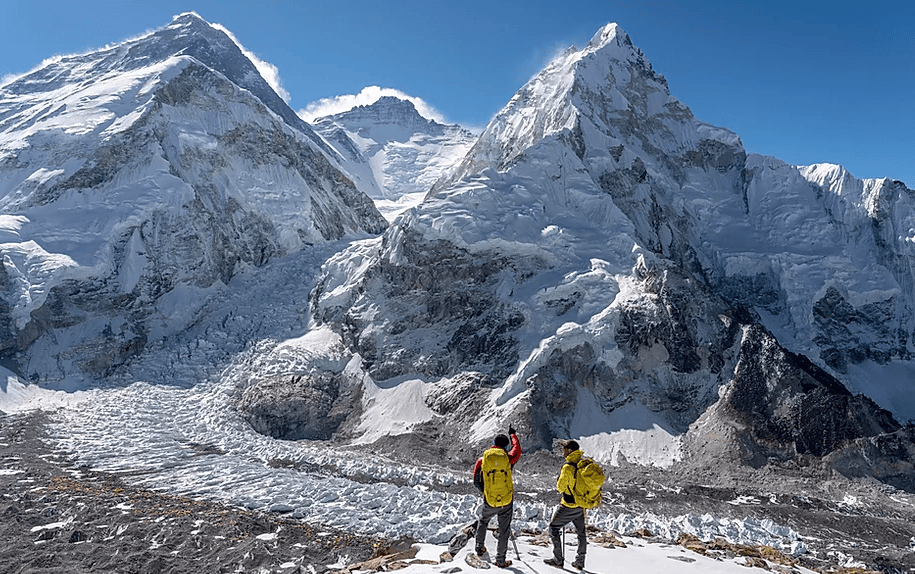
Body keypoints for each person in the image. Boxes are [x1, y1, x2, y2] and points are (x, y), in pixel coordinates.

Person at [472, 425, 522, 568]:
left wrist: (486, 492)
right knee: (504, 529)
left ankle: (479, 548)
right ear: (505, 446)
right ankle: (500, 560)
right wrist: (513, 435)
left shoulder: (482, 460)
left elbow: (476, 480)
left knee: (483, 521)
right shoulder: (508, 458)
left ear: (493, 444)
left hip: (489, 499)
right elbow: (517, 450)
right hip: (506, 500)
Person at [544, 440, 587, 570]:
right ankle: (580, 562)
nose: (563, 451)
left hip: (568, 505)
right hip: (580, 505)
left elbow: (560, 487)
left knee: (553, 527)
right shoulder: (582, 464)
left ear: (568, 450)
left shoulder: (568, 467)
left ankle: (558, 559)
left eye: (564, 449)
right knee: (581, 533)